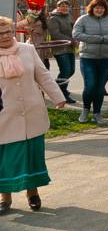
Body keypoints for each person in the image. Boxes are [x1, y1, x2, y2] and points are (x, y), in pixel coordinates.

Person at [0, 16, 66, 215]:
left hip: (31, 112)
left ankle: (33, 194)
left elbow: (42, 74)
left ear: (13, 31)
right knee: (6, 159)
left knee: (32, 156)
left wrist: (57, 97)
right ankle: (5, 198)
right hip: (4, 116)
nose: (4, 36)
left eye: (7, 32)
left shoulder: (27, 50)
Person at [72, 0, 108, 124]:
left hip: (106, 58)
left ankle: (97, 113)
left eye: (102, 8)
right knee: (90, 86)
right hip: (88, 57)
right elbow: (77, 35)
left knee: (100, 87)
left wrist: (104, 39)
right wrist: (100, 39)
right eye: (97, 8)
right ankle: (85, 110)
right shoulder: (83, 19)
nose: (99, 10)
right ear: (92, 8)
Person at [48, 0, 77, 103]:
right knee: (65, 71)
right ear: (57, 7)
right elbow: (55, 34)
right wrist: (71, 40)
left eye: (66, 6)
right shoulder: (53, 19)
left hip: (69, 48)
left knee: (71, 71)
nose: (64, 8)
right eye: (62, 6)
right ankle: (62, 93)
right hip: (60, 48)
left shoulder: (69, 16)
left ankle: (57, 87)